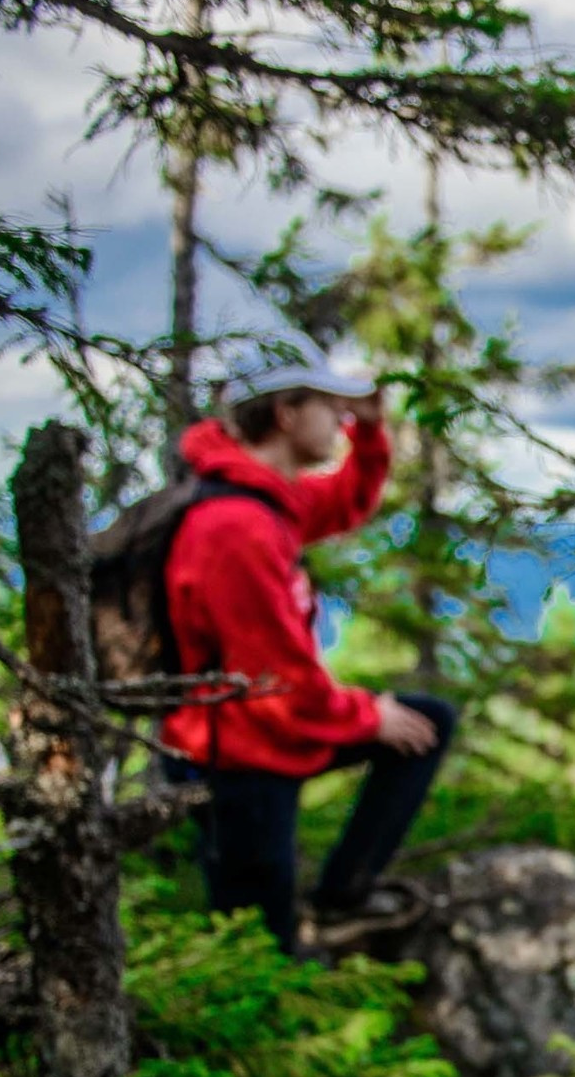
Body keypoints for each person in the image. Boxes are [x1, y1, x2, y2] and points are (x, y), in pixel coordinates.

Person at [160, 357, 457, 950]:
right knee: (258, 946)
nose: (339, 416)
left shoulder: (268, 500)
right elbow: (275, 681)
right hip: (236, 759)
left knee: (429, 721)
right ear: (287, 413)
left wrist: (369, 430)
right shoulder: (235, 526)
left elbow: (347, 501)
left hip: (262, 737)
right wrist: (370, 715)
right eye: (329, 405)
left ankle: (343, 897)